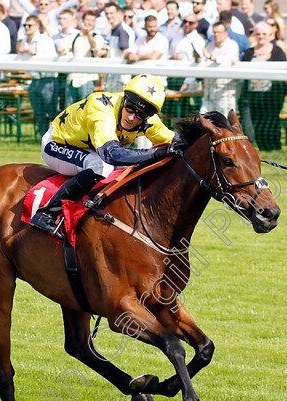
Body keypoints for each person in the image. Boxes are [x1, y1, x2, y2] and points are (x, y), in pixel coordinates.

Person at [29, 74, 185, 235]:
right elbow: (111, 154)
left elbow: (176, 140)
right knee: (100, 165)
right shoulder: (101, 108)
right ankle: (46, 213)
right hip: (57, 144)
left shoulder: (149, 121)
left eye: (140, 115)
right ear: (124, 100)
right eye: (130, 108)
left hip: (91, 149)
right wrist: (155, 152)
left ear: (148, 117)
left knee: (135, 166)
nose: (132, 118)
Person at [241, 21, 287, 152]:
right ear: (254, 35)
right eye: (258, 34)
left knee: (271, 122)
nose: (261, 36)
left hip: (272, 96)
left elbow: (283, 73)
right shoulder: (249, 53)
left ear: (270, 35)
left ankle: (274, 148)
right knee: (257, 123)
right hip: (253, 95)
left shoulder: (277, 51)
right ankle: (262, 148)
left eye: (264, 34)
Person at [19, 16, 59, 138]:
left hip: (47, 80)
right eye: (25, 25)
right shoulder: (24, 41)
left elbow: (51, 58)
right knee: (39, 113)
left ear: (37, 26)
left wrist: (34, 53)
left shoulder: (45, 40)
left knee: (51, 112)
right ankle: (43, 139)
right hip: (34, 80)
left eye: (29, 25)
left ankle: (55, 140)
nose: (26, 28)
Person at [64, 10, 105, 105]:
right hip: (72, 78)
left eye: (92, 21)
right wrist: (61, 50)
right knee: (69, 109)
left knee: (84, 108)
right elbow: (65, 48)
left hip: (87, 78)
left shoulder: (98, 37)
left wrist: (89, 35)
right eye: (87, 20)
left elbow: (95, 47)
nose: (89, 23)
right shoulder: (75, 36)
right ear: (83, 21)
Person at [200, 22, 239, 115]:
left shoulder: (232, 45)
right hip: (209, 93)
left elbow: (225, 61)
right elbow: (204, 60)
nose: (216, 35)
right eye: (214, 32)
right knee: (203, 121)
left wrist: (209, 56)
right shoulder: (210, 46)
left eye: (219, 32)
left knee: (224, 124)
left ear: (226, 33)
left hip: (225, 94)